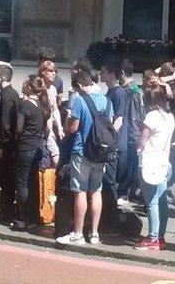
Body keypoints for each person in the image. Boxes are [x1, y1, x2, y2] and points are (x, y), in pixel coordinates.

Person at [56, 70, 113, 245]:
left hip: (82, 152)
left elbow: (72, 128)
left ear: (80, 86)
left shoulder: (80, 101)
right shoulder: (107, 101)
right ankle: (94, 233)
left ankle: (78, 234)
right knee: (96, 191)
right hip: (101, 153)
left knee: (80, 192)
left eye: (77, 90)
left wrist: (67, 118)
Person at [134, 84, 175, 251]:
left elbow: (143, 141)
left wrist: (138, 147)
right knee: (161, 200)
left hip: (150, 161)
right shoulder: (169, 116)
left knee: (151, 202)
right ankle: (160, 236)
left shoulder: (151, 116)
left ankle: (152, 238)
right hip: (164, 160)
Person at [13, 75, 49, 230]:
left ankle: (23, 218)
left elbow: (19, 128)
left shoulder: (25, 105)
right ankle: (34, 216)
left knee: (22, 183)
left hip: (25, 146)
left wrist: (15, 135)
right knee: (33, 183)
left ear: (28, 86)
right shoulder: (41, 104)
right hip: (38, 147)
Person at [0, 64, 20, 222]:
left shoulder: (7, 95)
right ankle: (5, 210)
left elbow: (6, 123)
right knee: (6, 180)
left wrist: (1, 146)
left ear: (2, 77)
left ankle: (5, 212)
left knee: (5, 180)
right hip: (9, 144)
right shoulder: (10, 94)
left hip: (7, 146)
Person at [100, 61, 128, 209]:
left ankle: (111, 212)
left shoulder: (119, 93)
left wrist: (109, 139)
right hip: (108, 140)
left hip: (113, 143)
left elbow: (119, 119)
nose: (100, 74)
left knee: (110, 179)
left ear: (111, 74)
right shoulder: (109, 92)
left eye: (103, 72)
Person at [120, 59, 145, 202]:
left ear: (122, 73)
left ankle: (127, 192)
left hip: (130, 134)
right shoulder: (135, 89)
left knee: (129, 165)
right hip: (132, 133)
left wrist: (134, 136)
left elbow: (135, 117)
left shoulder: (131, 92)